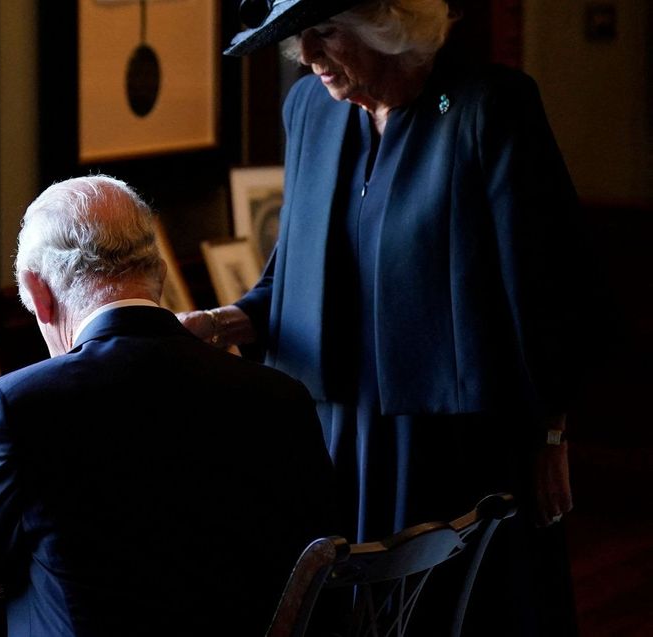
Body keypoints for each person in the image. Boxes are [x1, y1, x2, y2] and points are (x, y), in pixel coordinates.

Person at [179, 1, 592, 634]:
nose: (309, 56)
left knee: (454, 612)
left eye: (326, 33)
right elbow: (291, 274)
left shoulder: (487, 107)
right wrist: (221, 322)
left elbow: (546, 289)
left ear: (388, 24)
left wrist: (551, 435)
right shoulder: (311, 111)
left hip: (449, 441)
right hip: (332, 432)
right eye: (299, 38)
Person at [0, 175, 335, 636]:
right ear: (161, 277)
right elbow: (320, 562)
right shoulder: (279, 396)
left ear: (39, 293)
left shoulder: (21, 406)